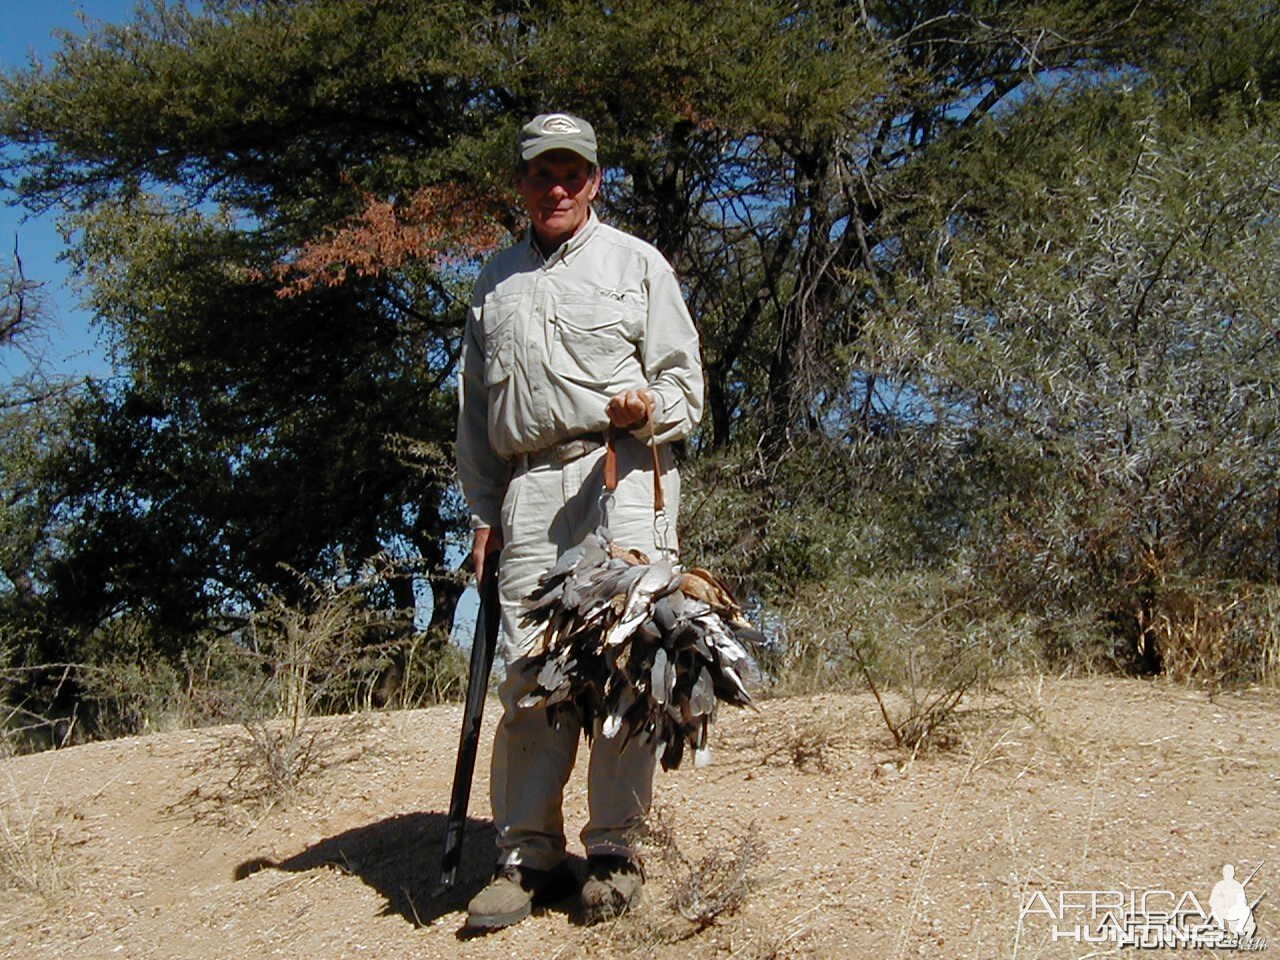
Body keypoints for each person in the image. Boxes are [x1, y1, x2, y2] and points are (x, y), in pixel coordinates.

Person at [455, 111, 704, 929]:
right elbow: (474, 420)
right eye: (540, 173)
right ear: (521, 182)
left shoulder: (639, 265)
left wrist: (646, 407)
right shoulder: (494, 281)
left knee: (626, 672)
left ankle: (614, 852)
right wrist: (484, 516)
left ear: (595, 180)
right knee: (529, 676)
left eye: (572, 173)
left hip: (621, 473)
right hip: (528, 491)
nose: (556, 186)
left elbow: (686, 390)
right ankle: (526, 857)